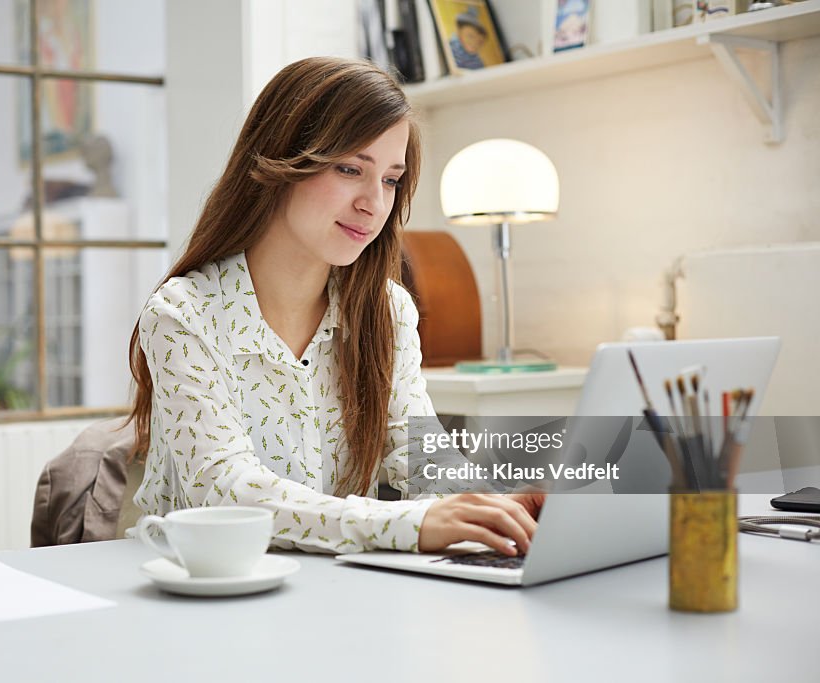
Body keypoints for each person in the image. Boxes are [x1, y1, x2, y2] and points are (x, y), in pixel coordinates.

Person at [127, 56, 542, 557]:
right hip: (199, 593)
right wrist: (407, 524)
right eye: (350, 169)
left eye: (391, 180)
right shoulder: (183, 315)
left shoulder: (387, 311)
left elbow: (419, 459)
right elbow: (224, 488)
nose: (374, 203)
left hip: (332, 592)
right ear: (281, 160)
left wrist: (494, 508)